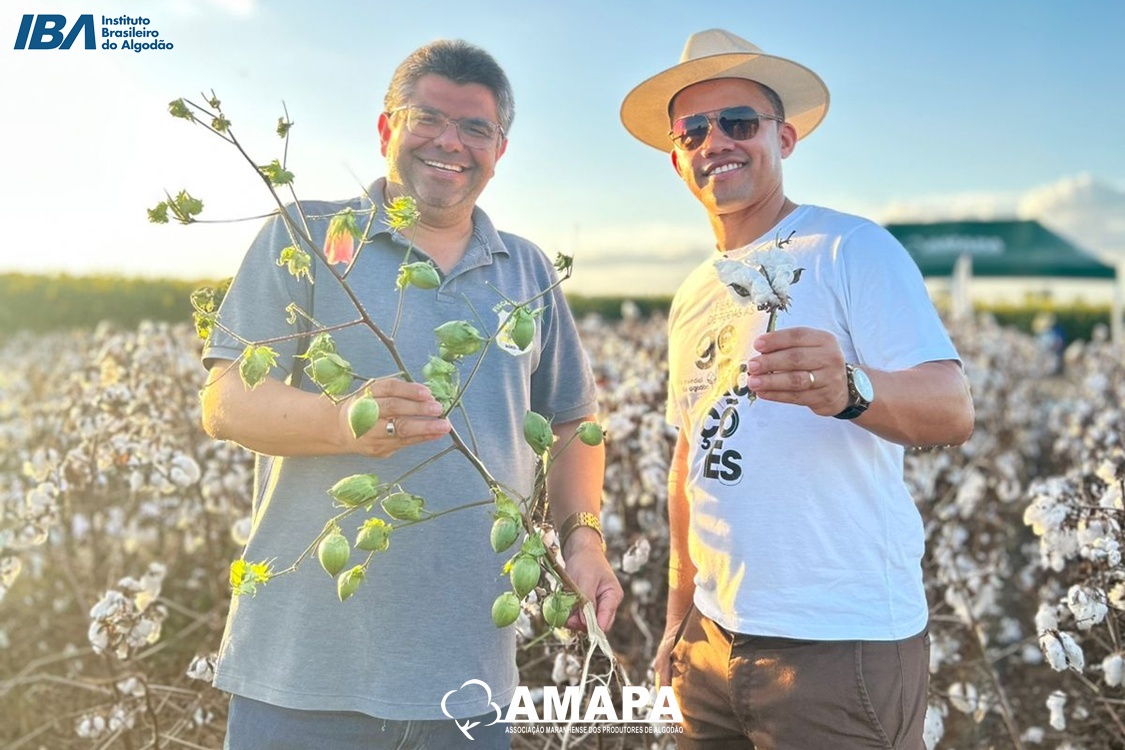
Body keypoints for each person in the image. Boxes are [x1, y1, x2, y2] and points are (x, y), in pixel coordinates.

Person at [201, 39, 622, 750]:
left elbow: (574, 421)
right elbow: (224, 402)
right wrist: (342, 421)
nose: (449, 142)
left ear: (499, 150)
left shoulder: (527, 271)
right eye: (426, 118)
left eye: (475, 128)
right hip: (302, 673)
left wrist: (584, 541)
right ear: (385, 128)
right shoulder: (306, 234)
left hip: (469, 681)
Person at [620, 29, 975, 750]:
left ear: (783, 138)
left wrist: (849, 389)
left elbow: (952, 409)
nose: (716, 141)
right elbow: (692, 457)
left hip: (838, 646)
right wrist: (678, 616)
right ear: (676, 157)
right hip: (711, 641)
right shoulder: (693, 292)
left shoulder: (851, 246)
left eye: (738, 122)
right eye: (694, 130)